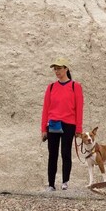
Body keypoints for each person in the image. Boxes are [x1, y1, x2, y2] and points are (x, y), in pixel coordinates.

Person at [41, 57, 84, 191]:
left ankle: (65, 182)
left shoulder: (75, 86)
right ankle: (51, 184)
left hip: (69, 124)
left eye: (59, 68)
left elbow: (79, 108)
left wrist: (79, 128)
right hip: (53, 123)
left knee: (65, 153)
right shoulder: (51, 87)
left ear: (66, 69)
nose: (57, 71)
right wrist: (43, 129)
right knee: (52, 154)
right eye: (55, 69)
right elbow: (46, 108)